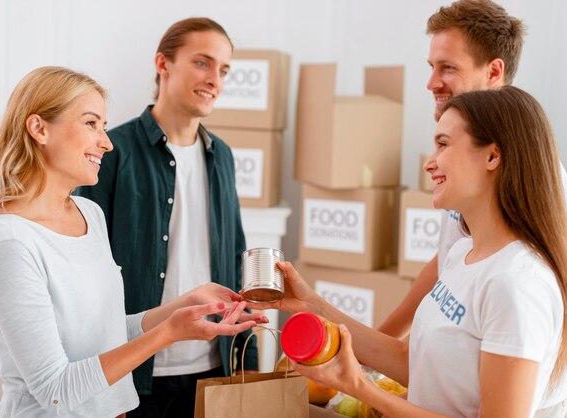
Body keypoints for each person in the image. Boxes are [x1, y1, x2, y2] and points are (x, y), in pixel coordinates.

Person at [0, 66, 263, 418]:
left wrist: (179, 308)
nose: (106, 142)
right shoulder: (11, 243)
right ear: (39, 128)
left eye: (104, 127)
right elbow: (56, 390)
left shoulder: (88, 214)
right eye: (91, 124)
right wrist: (168, 333)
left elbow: (105, 332)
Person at [262, 86, 567, 417]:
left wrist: (359, 388)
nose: (429, 163)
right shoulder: (463, 253)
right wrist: (311, 304)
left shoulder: (516, 284)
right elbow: (413, 362)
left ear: (493, 156)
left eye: (443, 144)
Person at [76, 17, 257, 417]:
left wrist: (247, 364)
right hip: (138, 370)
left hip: (214, 366)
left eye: (223, 70)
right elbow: (84, 275)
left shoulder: (222, 156)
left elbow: (235, 256)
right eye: (202, 63)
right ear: (163, 64)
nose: (215, 79)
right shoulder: (110, 151)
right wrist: (103, 388)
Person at [378, 0, 526, 339]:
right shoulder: (465, 159)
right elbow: (446, 260)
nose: (431, 83)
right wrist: (379, 345)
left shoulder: (529, 180)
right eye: (431, 66)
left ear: (493, 72)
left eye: (447, 68)